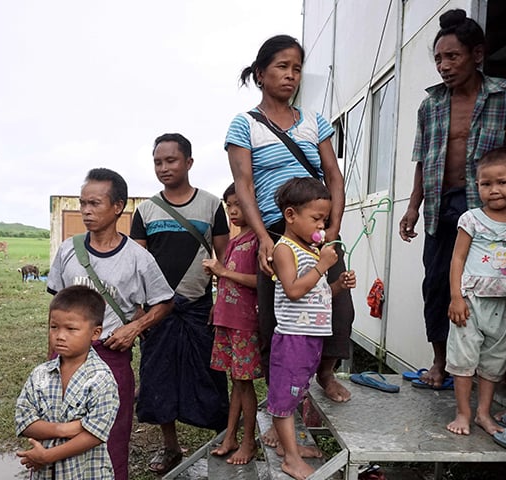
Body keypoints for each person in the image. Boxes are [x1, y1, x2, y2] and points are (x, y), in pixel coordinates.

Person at [227, 34, 354, 448]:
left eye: (297, 68)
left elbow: (333, 175)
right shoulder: (244, 124)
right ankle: (282, 400)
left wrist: (332, 226)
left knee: (338, 304)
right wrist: (263, 237)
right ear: (261, 73)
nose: (290, 75)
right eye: (282, 66)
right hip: (275, 232)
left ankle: (325, 372)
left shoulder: (315, 120)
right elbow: (243, 185)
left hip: (318, 231)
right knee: (277, 320)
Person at [398, 9, 506, 389]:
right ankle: (441, 362)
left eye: (453, 56)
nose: (444, 66)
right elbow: (423, 158)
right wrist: (412, 206)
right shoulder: (430, 105)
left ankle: (495, 370)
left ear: (478, 55)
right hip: (441, 205)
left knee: (496, 287)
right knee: (437, 284)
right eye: (439, 58)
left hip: (492, 211)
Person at [46, 168, 175, 480]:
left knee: (110, 438)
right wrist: (50, 361)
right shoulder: (68, 251)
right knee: (60, 434)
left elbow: (165, 302)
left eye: (95, 203)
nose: (86, 211)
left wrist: (135, 328)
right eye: (83, 203)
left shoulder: (137, 258)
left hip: (110, 358)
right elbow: (54, 311)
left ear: (118, 207)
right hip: (65, 359)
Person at [131, 133, 231, 475]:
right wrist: (140, 311)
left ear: (189, 162)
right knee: (158, 378)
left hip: (200, 309)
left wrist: (223, 305)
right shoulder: (145, 211)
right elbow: (138, 265)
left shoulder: (212, 205)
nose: (164, 168)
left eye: (171, 160)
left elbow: (225, 260)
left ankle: (224, 436)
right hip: (158, 311)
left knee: (211, 374)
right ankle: (170, 446)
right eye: (158, 162)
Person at [268, 177, 356, 480]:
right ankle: (291, 459)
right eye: (316, 219)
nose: (322, 226)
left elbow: (317, 295)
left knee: (296, 393)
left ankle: (287, 447)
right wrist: (322, 265)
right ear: (291, 215)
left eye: (325, 219)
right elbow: (293, 290)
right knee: (284, 397)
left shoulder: (310, 250)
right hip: (293, 338)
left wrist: (337, 285)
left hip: (310, 338)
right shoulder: (285, 250)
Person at [445, 147, 506, 436]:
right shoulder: (472, 219)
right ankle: (463, 413)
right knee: (464, 358)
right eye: (486, 184)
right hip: (471, 302)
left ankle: (483, 413)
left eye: (502, 182)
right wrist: (456, 297)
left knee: (494, 362)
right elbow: (457, 258)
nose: (493, 190)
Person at [15, 285, 121, 479]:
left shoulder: (101, 379)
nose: (60, 336)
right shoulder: (40, 375)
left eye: (71, 329)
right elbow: (24, 421)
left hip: (86, 473)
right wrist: (63, 429)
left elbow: (95, 435)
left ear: (95, 333)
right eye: (54, 327)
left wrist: (47, 456)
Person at [202, 183, 262, 465]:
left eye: (239, 204)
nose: (234, 211)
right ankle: (230, 436)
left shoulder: (260, 242)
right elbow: (226, 280)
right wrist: (217, 305)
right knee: (235, 381)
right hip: (227, 319)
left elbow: (261, 282)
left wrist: (222, 270)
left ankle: (248, 442)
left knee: (244, 383)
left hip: (245, 324)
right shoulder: (237, 240)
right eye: (229, 206)